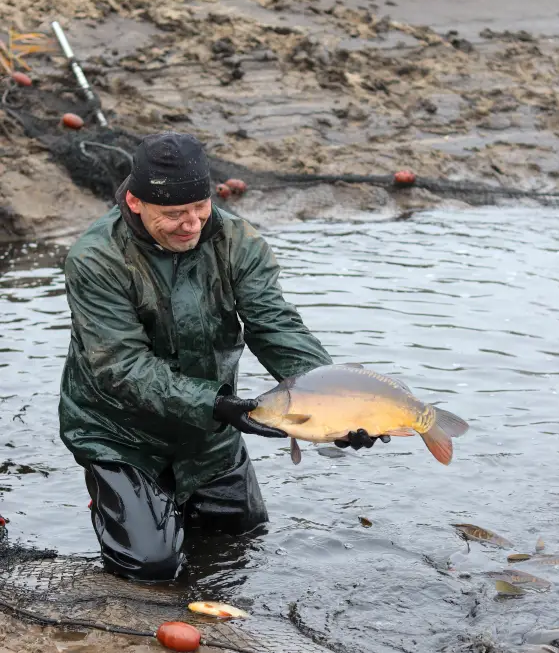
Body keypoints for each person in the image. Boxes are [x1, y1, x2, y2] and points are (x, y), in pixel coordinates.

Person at [59, 132, 389, 581]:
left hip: (208, 436)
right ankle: (115, 497)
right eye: (174, 214)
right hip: (120, 432)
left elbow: (274, 325)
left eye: (199, 208)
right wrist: (218, 404)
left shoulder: (237, 240)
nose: (191, 225)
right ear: (135, 203)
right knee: (151, 567)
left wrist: (328, 399)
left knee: (242, 543)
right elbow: (122, 367)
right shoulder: (95, 257)